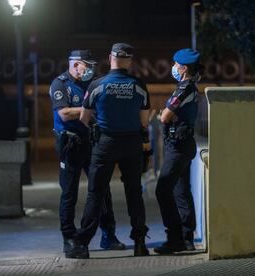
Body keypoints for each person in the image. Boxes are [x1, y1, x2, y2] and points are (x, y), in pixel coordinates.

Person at [65, 43, 151, 259]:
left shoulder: (97, 85)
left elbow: (84, 119)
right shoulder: (139, 85)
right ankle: (140, 243)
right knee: (134, 193)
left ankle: (82, 244)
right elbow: (144, 121)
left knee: (96, 193)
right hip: (131, 144)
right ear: (130, 61)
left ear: (111, 58)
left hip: (105, 144)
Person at [49, 50, 125, 258]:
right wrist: (88, 108)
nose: (90, 69)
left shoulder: (90, 84)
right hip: (70, 145)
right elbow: (63, 114)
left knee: (102, 190)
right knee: (69, 193)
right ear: (75, 64)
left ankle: (108, 235)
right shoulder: (60, 84)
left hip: (90, 143)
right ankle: (69, 238)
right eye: (86, 65)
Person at [154, 48, 201, 254]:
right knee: (181, 191)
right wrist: (170, 115)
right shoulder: (189, 87)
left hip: (178, 146)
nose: (173, 67)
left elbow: (164, 117)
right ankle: (186, 238)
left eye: (175, 64)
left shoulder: (184, 88)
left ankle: (175, 239)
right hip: (183, 144)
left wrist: (167, 116)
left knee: (163, 190)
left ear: (183, 67)